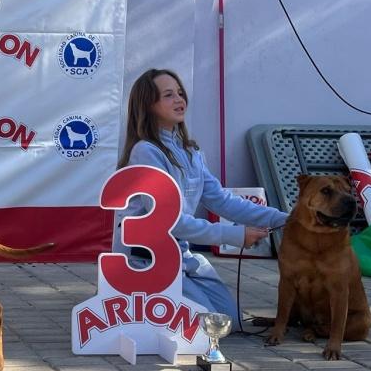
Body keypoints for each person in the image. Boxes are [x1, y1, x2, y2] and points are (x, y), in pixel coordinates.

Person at [115, 68, 288, 323]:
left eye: (180, 93)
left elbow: (221, 200)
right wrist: (236, 235)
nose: (179, 99)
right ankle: (129, 298)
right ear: (148, 105)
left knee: (231, 322)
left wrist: (282, 219)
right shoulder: (146, 152)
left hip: (181, 256)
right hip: (146, 260)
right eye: (168, 95)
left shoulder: (190, 151)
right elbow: (168, 221)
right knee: (207, 326)